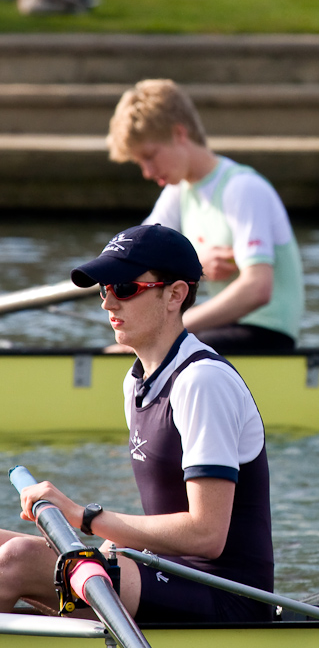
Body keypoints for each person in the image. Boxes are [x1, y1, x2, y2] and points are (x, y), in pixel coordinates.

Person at [0, 224, 274, 623]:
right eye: (103, 289)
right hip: (163, 574)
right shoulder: (136, 381)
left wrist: (81, 517)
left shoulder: (202, 381)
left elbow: (206, 536)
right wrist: (101, 547)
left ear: (175, 294)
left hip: (224, 594)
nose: (108, 304)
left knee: (19, 559)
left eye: (125, 288)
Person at [106, 78, 304, 355]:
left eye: (150, 156)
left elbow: (258, 288)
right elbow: (131, 259)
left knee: (149, 348)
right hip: (224, 329)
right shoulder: (179, 191)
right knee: (129, 346)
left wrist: (164, 328)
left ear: (179, 134)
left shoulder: (243, 188)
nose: (147, 172)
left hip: (265, 334)